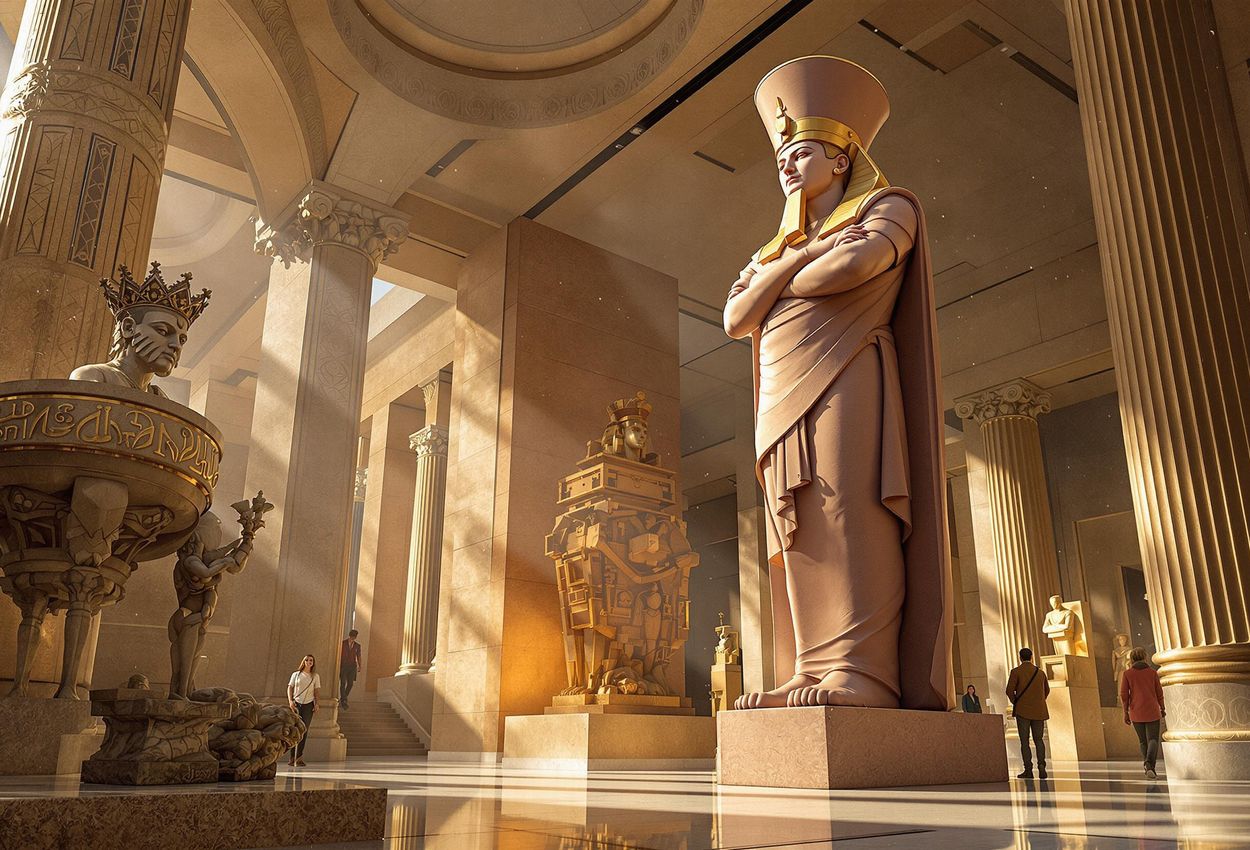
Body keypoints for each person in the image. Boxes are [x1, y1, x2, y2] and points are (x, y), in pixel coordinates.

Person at [727, 56, 950, 712]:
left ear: (843, 158)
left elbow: (852, 268)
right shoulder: (776, 246)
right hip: (779, 394)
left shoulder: (889, 206)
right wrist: (795, 258)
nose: (788, 166)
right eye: (782, 158)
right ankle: (810, 668)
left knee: (850, 510)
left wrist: (790, 271)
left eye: (801, 152)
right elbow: (737, 316)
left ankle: (864, 672)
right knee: (796, 525)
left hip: (851, 369)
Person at [1120, 646, 1165, 779]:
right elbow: (1159, 693)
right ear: (1145, 657)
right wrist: (1162, 708)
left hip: (1136, 711)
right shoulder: (1152, 673)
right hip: (1152, 710)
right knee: (1153, 739)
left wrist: (1125, 712)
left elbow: (1124, 695)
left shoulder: (1127, 674)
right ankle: (1149, 765)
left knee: (1142, 741)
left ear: (1132, 658)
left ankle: (1147, 766)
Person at [1006, 647, 1051, 779]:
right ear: (1031, 657)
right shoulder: (1040, 673)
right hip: (1039, 711)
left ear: (1020, 657)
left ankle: (1028, 769)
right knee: (1039, 739)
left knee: (1024, 741)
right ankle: (1042, 765)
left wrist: (1017, 703)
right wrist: (1039, 702)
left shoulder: (1016, 672)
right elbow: (1046, 691)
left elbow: (1009, 691)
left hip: (1022, 711)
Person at [287, 654, 320, 767]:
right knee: (294, 730)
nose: (309, 662)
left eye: (311, 660)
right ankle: (291, 757)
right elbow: (290, 688)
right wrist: (290, 701)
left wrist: (316, 704)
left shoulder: (315, 676)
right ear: (303, 662)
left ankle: (299, 757)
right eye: (307, 660)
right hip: (296, 704)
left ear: (313, 663)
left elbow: (316, 691)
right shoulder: (296, 675)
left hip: (308, 705)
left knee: (304, 730)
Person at [340, 629, 362, 710]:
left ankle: (343, 698)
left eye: (354, 637)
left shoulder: (357, 646)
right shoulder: (343, 643)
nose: (353, 638)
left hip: (352, 666)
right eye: (352, 636)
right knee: (343, 683)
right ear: (350, 636)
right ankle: (344, 700)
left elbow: (359, 656)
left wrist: (360, 666)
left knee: (350, 684)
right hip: (344, 665)